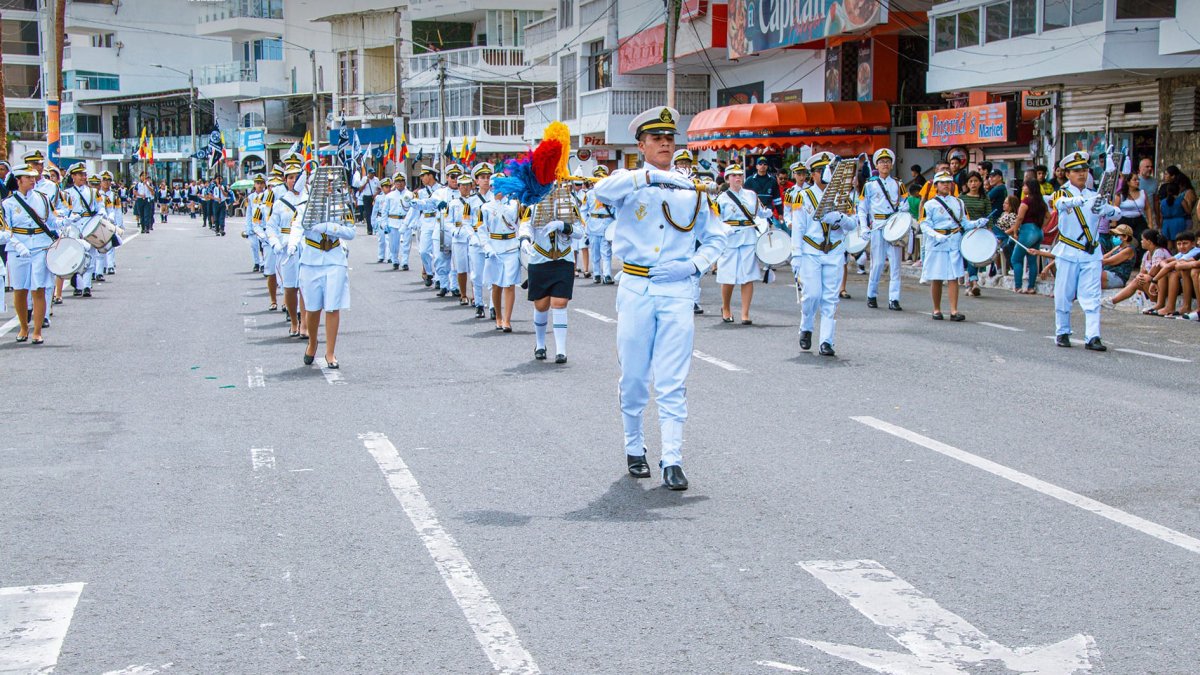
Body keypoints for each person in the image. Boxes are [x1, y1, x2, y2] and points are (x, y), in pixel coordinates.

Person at [593, 105, 728, 491]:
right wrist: (648, 177)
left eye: (670, 138)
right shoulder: (629, 180)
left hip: (675, 288)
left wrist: (693, 267)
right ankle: (634, 447)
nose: (666, 143)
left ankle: (673, 457)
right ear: (642, 145)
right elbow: (602, 191)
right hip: (636, 286)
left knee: (672, 377)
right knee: (635, 375)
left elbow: (716, 236)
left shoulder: (691, 189)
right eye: (657, 139)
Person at [1047, 151, 1122, 350]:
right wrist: (1076, 201)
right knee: (1064, 294)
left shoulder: (1094, 196)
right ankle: (1062, 332)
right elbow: (1058, 204)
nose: (1082, 174)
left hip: (1091, 253)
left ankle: (1093, 336)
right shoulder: (1061, 193)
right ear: (1067, 174)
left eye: (1084, 170)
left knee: (1092, 296)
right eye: (1076, 171)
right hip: (1068, 252)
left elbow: (1117, 213)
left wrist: (1107, 210)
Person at [790, 151, 853, 355]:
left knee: (830, 298)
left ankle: (826, 341)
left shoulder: (841, 195)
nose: (825, 174)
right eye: (819, 170)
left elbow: (853, 223)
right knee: (812, 295)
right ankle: (806, 326)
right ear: (813, 175)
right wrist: (796, 255)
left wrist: (840, 218)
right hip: (811, 251)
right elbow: (798, 228)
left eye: (828, 170)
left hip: (833, 251)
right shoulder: (803, 196)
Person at [517, 180, 583, 364]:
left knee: (560, 302)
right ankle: (540, 344)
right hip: (540, 258)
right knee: (541, 305)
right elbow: (525, 225)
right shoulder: (534, 204)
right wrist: (524, 240)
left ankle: (561, 350)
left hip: (563, 259)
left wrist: (564, 226)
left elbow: (580, 231)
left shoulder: (569, 205)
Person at [2, 163, 58, 343]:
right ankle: (24, 328)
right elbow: (5, 230)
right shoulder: (7, 204)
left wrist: (63, 223)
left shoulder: (42, 198)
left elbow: (52, 221)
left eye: (34, 177)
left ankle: (38, 330)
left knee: (38, 288)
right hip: (18, 248)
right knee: (20, 290)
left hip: (40, 246)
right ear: (18, 181)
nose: (33, 180)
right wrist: (17, 245)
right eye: (28, 178)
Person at [921, 172, 988, 320]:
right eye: (942, 182)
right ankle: (936, 309)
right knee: (936, 277)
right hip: (937, 242)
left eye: (948, 182)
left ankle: (953, 310)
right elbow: (924, 224)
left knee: (953, 277)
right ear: (936, 185)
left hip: (954, 242)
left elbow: (964, 223)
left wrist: (977, 223)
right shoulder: (929, 204)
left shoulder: (958, 203)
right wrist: (935, 235)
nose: (946, 185)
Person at [298, 207, 356, 370]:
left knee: (332, 307)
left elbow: (351, 232)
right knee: (313, 308)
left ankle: (330, 352)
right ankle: (312, 342)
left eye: (331, 182)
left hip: (334, 259)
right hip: (311, 259)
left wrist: (329, 227)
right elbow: (296, 227)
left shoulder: (342, 205)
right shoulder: (306, 206)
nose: (328, 186)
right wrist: (290, 244)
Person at [714, 164, 768, 324]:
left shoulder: (751, 195)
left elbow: (760, 212)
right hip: (730, 240)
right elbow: (715, 221)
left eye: (740, 175)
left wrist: (767, 214)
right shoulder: (721, 198)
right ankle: (726, 308)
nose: (737, 178)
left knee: (748, 276)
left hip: (748, 237)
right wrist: (725, 229)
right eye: (733, 175)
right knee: (728, 277)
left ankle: (745, 314)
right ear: (727, 179)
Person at [858, 148, 907, 310]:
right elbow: (862, 208)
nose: (885, 164)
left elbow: (904, 202)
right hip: (878, 226)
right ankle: (872, 295)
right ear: (876, 166)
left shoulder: (899, 184)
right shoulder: (870, 185)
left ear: (892, 165)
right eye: (881, 162)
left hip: (894, 226)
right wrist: (864, 227)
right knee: (877, 263)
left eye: (887, 162)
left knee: (895, 264)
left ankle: (894, 298)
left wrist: (903, 209)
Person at [266, 165, 307, 338]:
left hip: (305, 246)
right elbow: (270, 227)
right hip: (286, 248)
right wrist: (275, 244)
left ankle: (305, 323)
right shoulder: (280, 202)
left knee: (305, 286)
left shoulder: (309, 199)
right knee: (290, 288)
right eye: (290, 177)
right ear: (285, 180)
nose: (293, 180)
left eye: (297, 177)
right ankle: (294, 321)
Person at [479, 185, 521, 331]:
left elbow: (520, 224)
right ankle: (498, 316)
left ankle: (507, 320)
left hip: (511, 246)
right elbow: (481, 230)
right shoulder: (485, 207)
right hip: (494, 247)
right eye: (496, 186)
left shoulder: (514, 204)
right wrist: (487, 248)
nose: (499, 189)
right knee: (496, 285)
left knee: (509, 284)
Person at [1101, 229, 1170, 311]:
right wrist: (1141, 276)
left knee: (1142, 279)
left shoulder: (1159, 251)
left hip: (1163, 283)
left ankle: (1156, 303)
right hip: (1154, 282)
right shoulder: (1147, 254)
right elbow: (1143, 271)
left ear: (1149, 242)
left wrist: (1144, 276)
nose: (1141, 242)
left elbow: (1153, 272)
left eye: (1142, 240)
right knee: (1138, 279)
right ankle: (1111, 302)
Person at [60, 163, 100, 297]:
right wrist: (69, 218)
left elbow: (99, 207)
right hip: (75, 226)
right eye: (80, 175)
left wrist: (102, 216)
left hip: (89, 224)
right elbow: (64, 211)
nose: (83, 177)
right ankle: (77, 284)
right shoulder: (67, 193)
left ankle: (87, 285)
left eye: (84, 174)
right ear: (73, 176)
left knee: (91, 254)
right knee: (76, 255)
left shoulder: (93, 192)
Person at [1006, 178, 1046, 295]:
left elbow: (1020, 217)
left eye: (1025, 186)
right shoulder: (1041, 202)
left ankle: (1018, 286)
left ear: (1030, 188)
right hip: (1038, 231)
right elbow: (1048, 216)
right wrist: (1041, 226)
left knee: (1016, 259)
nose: (1023, 188)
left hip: (1027, 231)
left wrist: (1015, 232)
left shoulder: (1026, 201)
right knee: (1032, 260)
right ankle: (1031, 287)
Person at [1146, 230, 1199, 316]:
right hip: (1184, 275)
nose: (1181, 246)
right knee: (1166, 273)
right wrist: (1166, 267)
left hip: (1191, 276)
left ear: (1193, 244)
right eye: (1179, 244)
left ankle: (1178, 306)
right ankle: (1161, 304)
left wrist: (1154, 280)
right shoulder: (1181, 253)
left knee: (1173, 273)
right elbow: (1164, 262)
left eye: (1185, 243)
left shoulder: (1195, 251)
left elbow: (1170, 265)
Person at [411, 165, 447, 288]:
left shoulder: (442, 190)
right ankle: (429, 272)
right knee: (423, 251)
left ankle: (438, 278)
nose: (421, 178)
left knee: (438, 252)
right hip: (426, 221)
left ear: (430, 176)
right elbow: (419, 207)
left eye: (423, 176)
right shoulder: (420, 192)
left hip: (438, 220)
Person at [466, 164, 494, 317]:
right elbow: (466, 223)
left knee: (492, 274)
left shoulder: (495, 198)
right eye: (482, 178)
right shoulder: (470, 201)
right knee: (477, 275)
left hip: (490, 240)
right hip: (476, 240)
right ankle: (478, 303)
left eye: (488, 177)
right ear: (476, 181)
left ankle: (493, 306)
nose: (485, 180)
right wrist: (472, 237)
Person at [960, 171, 991, 296]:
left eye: (976, 181)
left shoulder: (985, 198)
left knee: (977, 257)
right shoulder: (961, 198)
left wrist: (989, 229)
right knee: (969, 256)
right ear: (967, 184)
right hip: (966, 232)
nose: (973, 184)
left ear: (980, 183)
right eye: (970, 181)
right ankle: (973, 281)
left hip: (981, 233)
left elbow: (989, 215)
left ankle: (971, 282)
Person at [584, 165, 615, 285]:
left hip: (607, 223)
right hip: (593, 224)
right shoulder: (590, 194)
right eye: (598, 177)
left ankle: (607, 275)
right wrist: (585, 224)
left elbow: (615, 210)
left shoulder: (610, 194)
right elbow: (583, 210)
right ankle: (596, 274)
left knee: (606, 252)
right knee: (595, 252)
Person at [1159, 167, 1196, 245]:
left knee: (1169, 244)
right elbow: (1188, 211)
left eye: (1166, 174)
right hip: (1179, 222)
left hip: (1167, 223)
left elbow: (1161, 214)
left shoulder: (1163, 202)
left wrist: (1160, 225)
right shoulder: (1180, 200)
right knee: (1179, 242)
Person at [387, 173, 413, 271]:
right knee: (393, 243)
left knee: (406, 243)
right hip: (393, 221)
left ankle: (405, 262)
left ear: (405, 182)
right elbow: (385, 211)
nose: (400, 184)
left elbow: (413, 209)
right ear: (394, 183)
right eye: (397, 182)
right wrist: (384, 223)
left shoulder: (410, 194)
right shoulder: (389, 196)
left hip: (406, 221)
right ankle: (395, 261)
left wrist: (413, 222)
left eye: (401, 181)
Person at [1100, 223, 1136, 289]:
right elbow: (1103, 257)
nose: (1114, 237)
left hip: (1117, 277)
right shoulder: (1117, 247)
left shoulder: (1129, 250)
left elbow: (1108, 261)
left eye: (1116, 235)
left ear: (1125, 237)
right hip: (1108, 273)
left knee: (1095, 274)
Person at [245, 175, 268, 273]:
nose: (259, 185)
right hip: (254, 224)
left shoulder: (267, 195)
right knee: (254, 245)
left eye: (261, 183)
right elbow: (249, 213)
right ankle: (257, 262)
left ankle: (263, 263)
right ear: (254, 184)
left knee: (263, 245)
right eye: (257, 183)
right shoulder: (250, 197)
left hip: (264, 224)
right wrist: (248, 227)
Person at [1136, 158, 1157, 229]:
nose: (1150, 168)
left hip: (1150, 216)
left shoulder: (1154, 182)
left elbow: (1156, 200)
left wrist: (1158, 217)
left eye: (1151, 167)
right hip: (1137, 215)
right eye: (1147, 167)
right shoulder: (1135, 181)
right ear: (1140, 168)